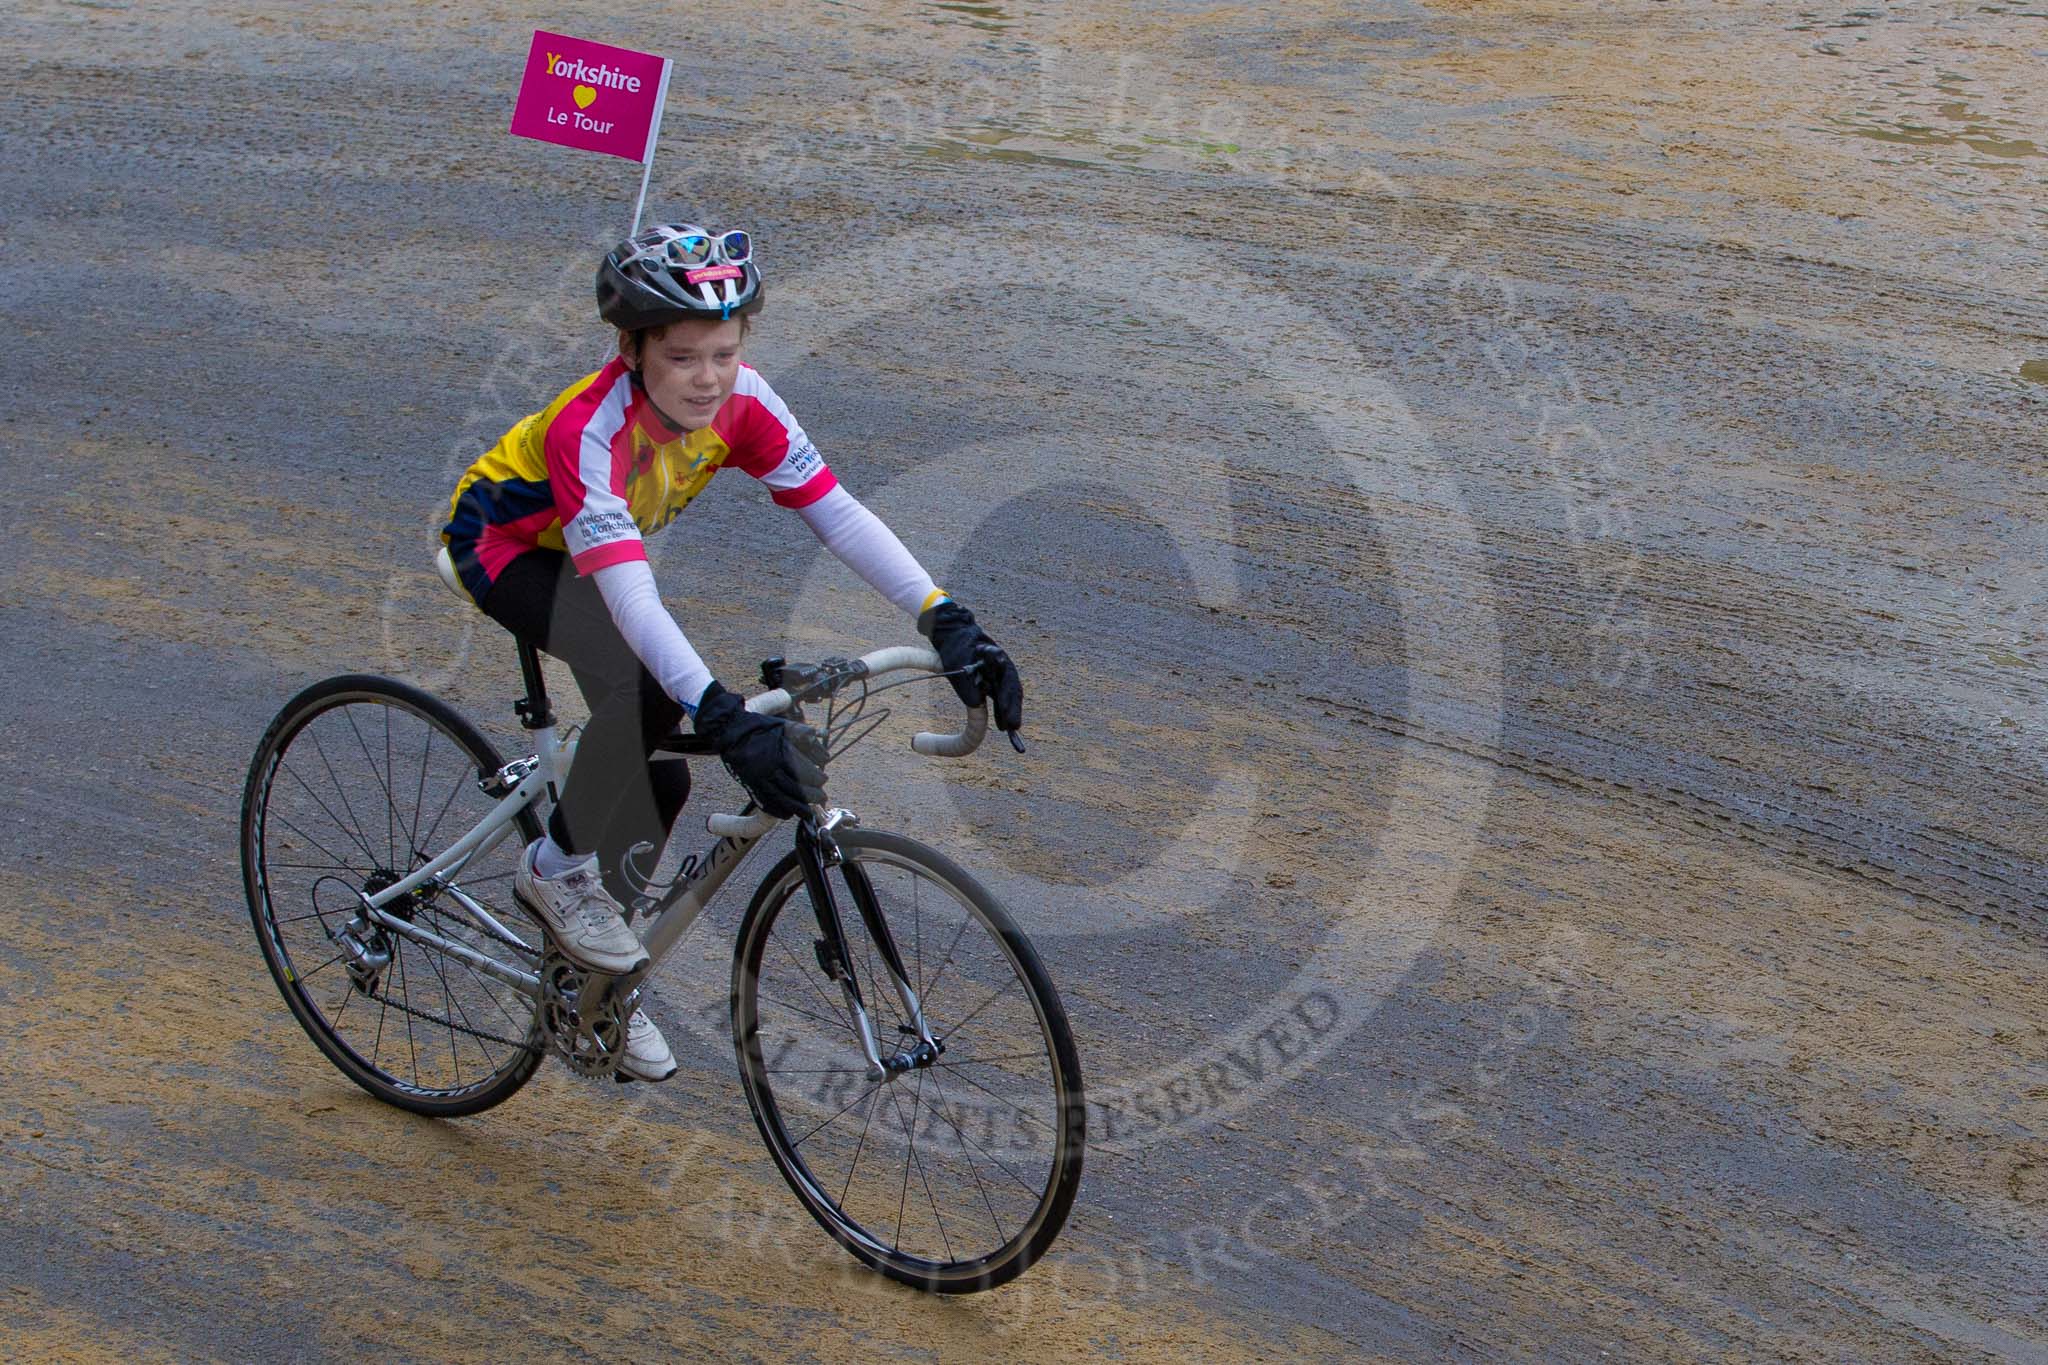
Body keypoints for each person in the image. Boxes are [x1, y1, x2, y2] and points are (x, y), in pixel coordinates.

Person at [440, 223, 1024, 1081]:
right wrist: (717, 710)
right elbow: (632, 599)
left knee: (660, 775)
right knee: (648, 699)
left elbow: (839, 513)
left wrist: (944, 615)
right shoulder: (589, 431)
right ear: (631, 348)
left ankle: (591, 986)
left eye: (723, 350)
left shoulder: (744, 403)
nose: (707, 377)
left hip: (599, 546)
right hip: (509, 546)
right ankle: (553, 870)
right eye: (681, 356)